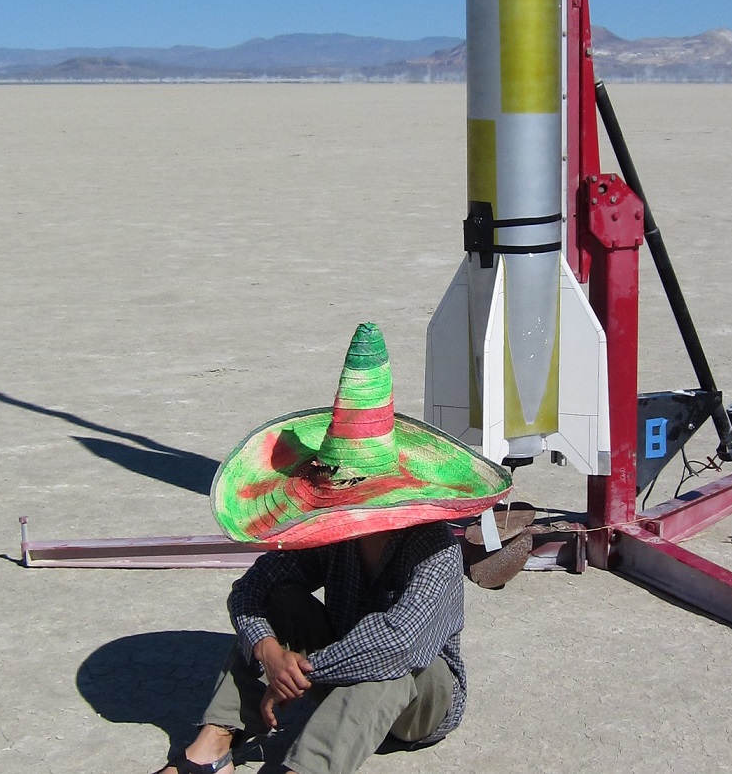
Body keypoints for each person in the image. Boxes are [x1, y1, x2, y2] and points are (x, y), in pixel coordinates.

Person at [153, 323, 511, 774]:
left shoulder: (435, 550)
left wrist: (300, 672)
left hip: (418, 704)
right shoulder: (336, 538)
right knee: (281, 597)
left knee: (390, 659)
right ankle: (216, 741)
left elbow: (398, 643)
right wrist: (268, 651)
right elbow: (251, 588)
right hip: (338, 676)